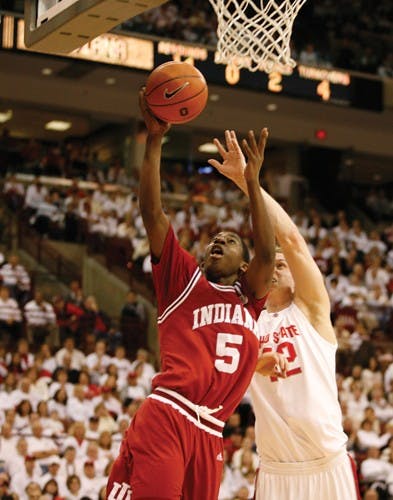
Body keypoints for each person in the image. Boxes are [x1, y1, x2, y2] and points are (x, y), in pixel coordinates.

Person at [107, 90, 277, 499]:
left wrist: (252, 183)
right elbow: (153, 213)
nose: (217, 241)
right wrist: (154, 139)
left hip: (210, 433)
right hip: (169, 414)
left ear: (243, 265)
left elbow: (269, 252)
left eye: (230, 240)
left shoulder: (249, 299)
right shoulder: (183, 281)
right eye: (213, 240)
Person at [209, 129, 360, 500]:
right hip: (276, 470)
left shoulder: (311, 308)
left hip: (327, 463)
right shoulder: (247, 318)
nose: (276, 266)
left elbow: (290, 240)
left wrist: (249, 183)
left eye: (282, 264)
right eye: (269, 262)